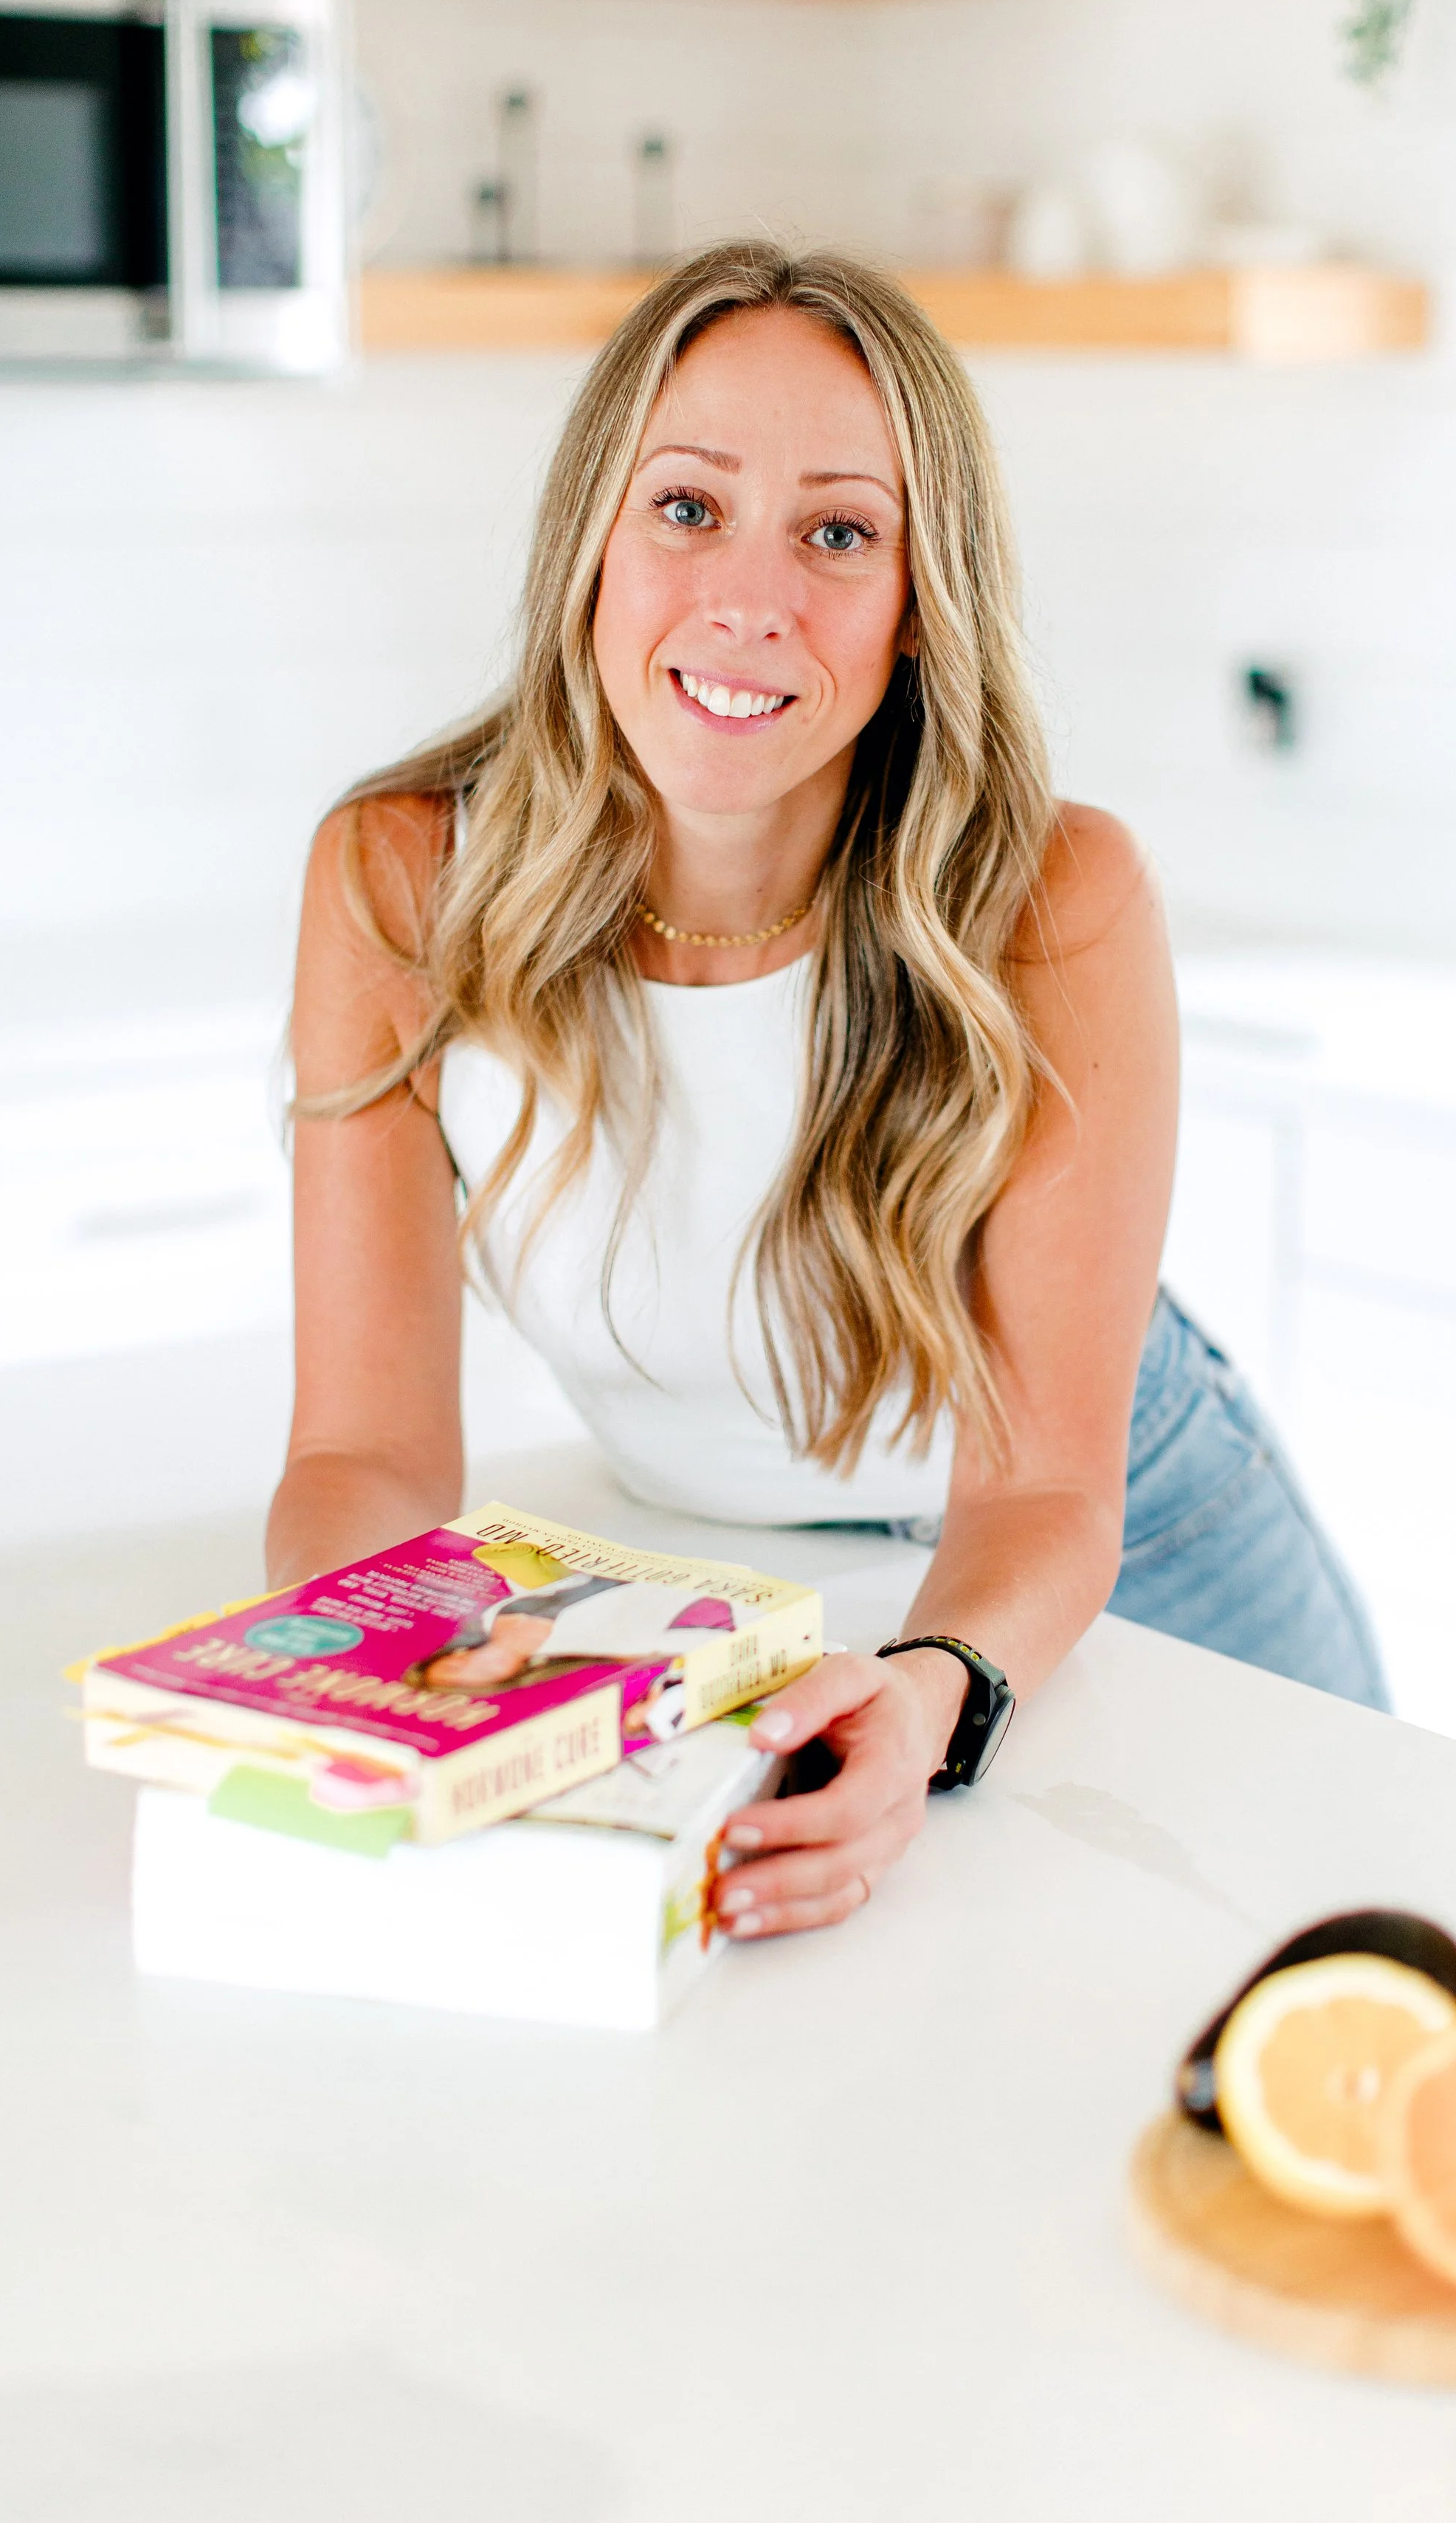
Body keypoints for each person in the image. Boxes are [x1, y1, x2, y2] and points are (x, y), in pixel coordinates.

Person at [271, 241, 1387, 1944]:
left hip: (1105, 1573)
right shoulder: (400, 883)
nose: (749, 597)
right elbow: (362, 1452)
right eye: (687, 508)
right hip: (723, 1597)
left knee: (1305, 1984)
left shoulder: (1049, 902)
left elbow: (1041, 1494)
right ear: (589, 538)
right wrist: (362, 1675)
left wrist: (932, 1690)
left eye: (839, 534)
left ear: (918, 599)